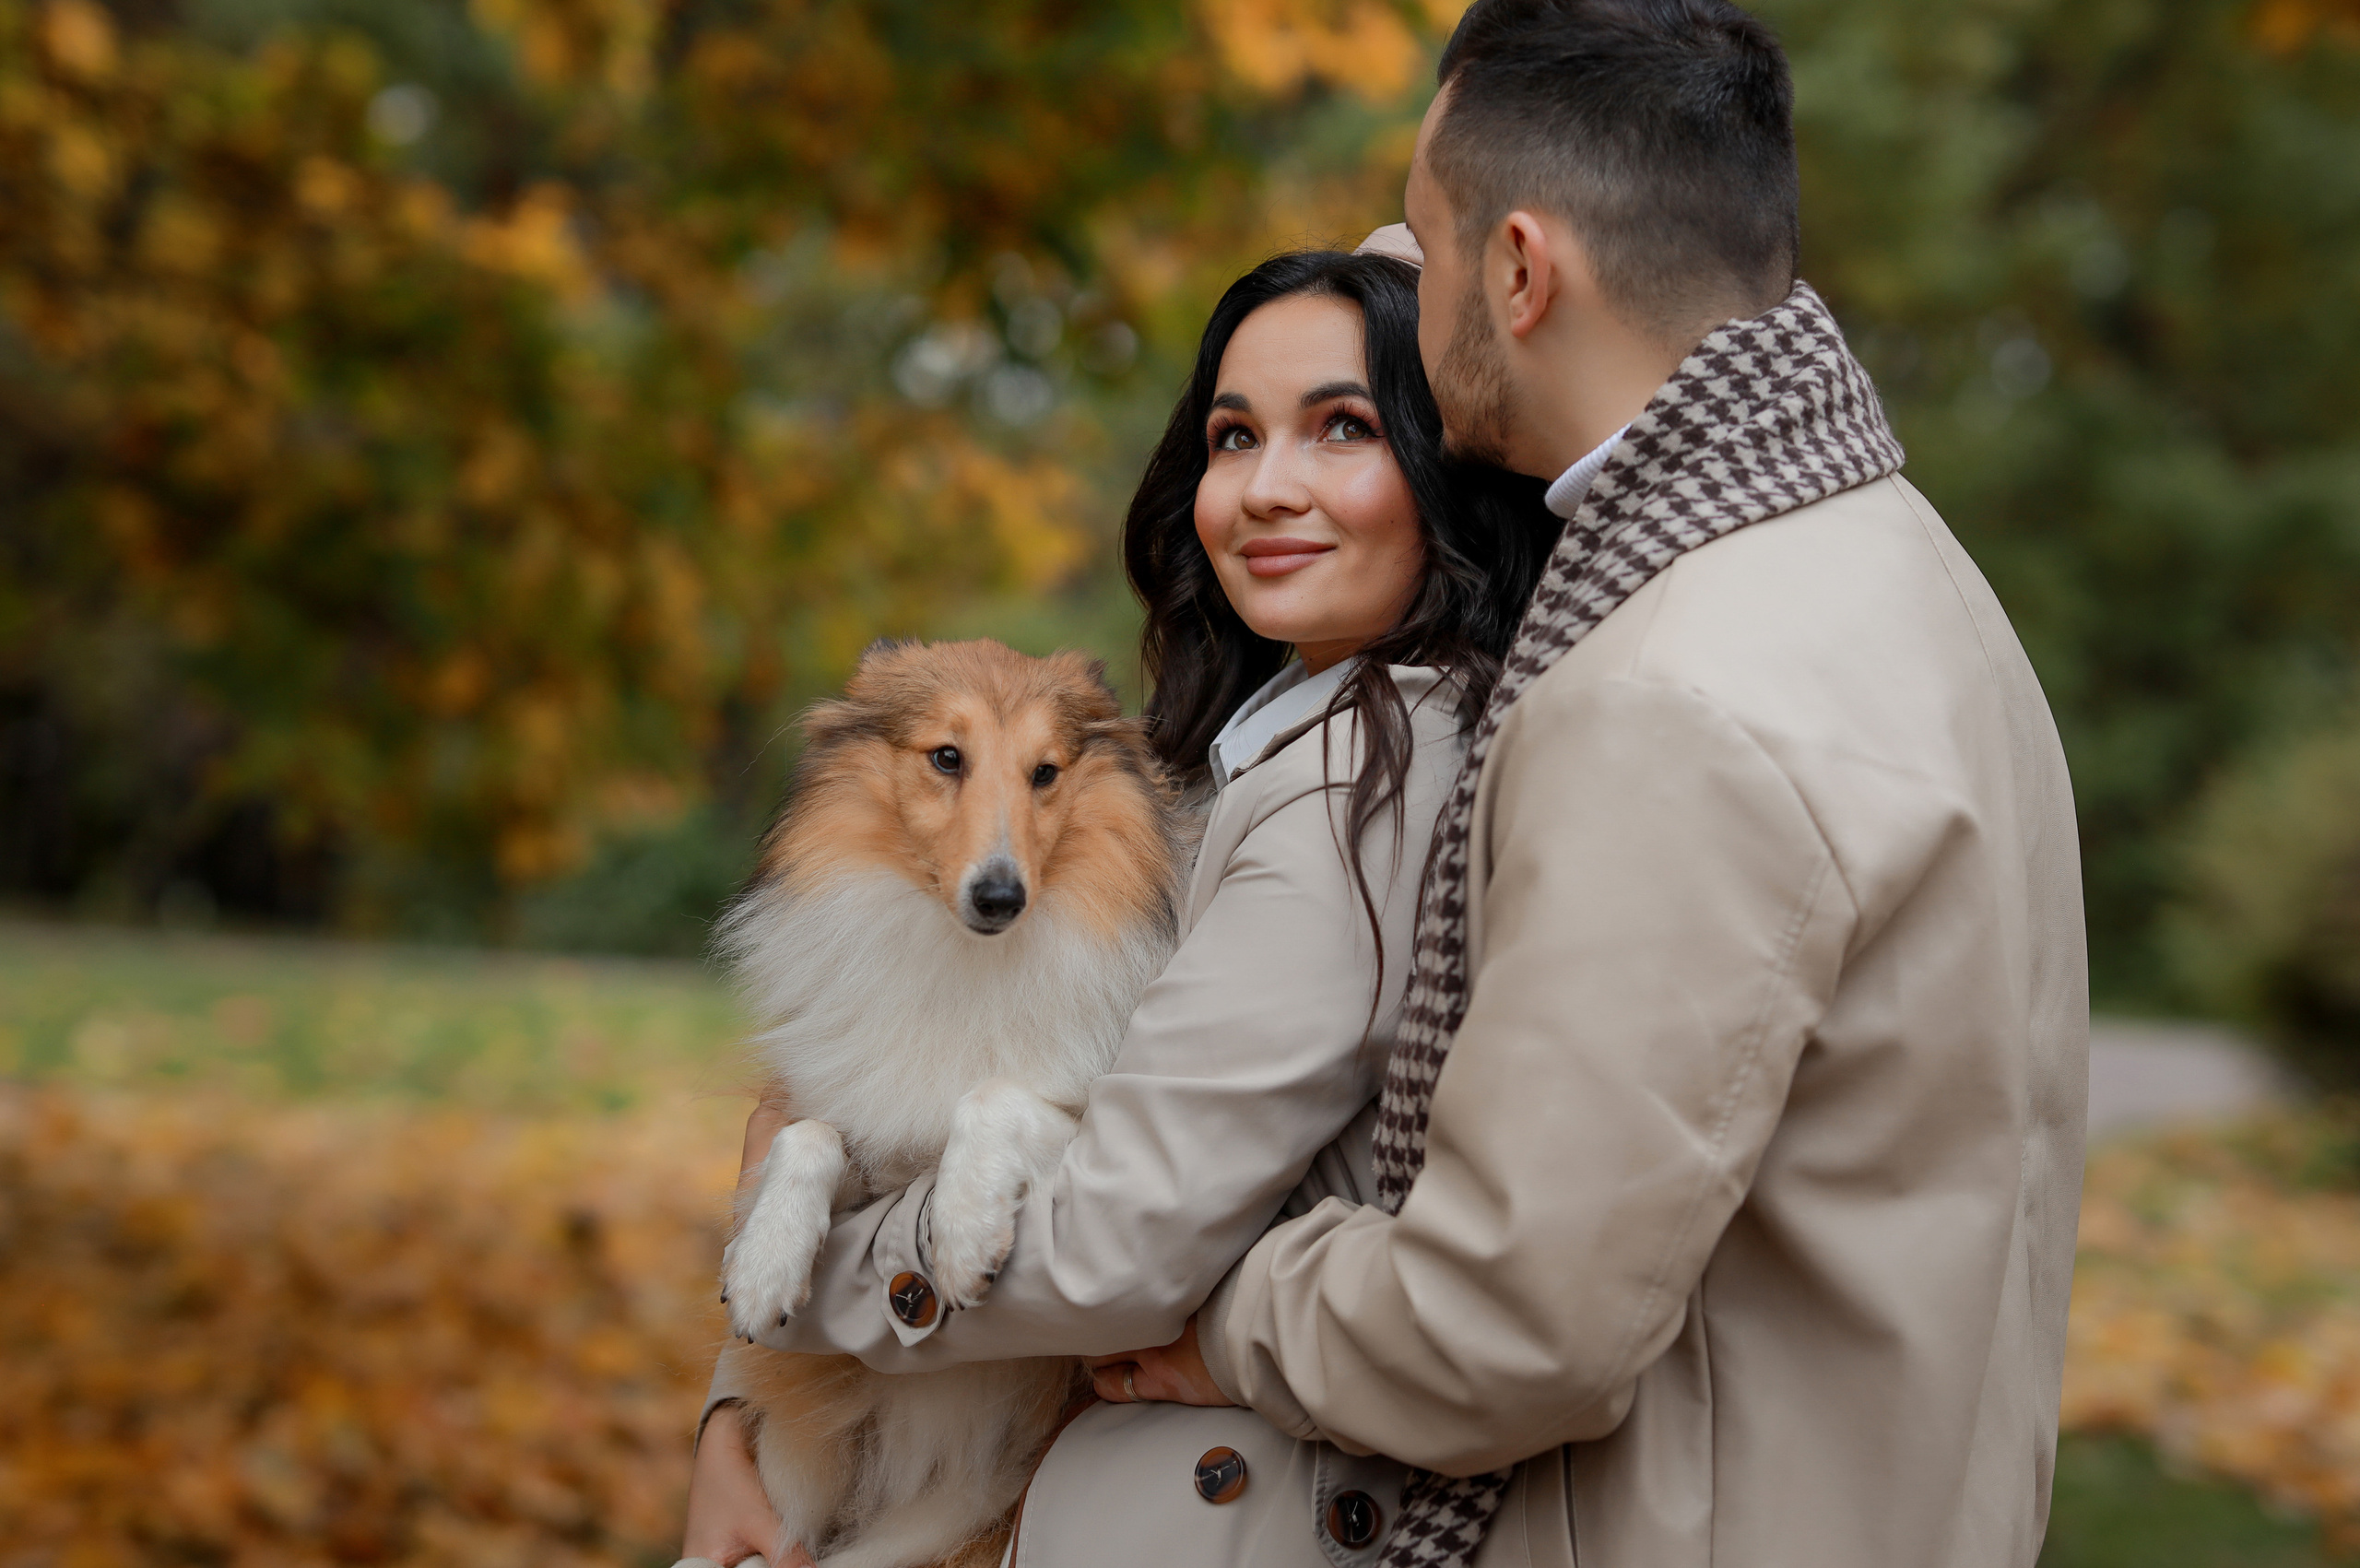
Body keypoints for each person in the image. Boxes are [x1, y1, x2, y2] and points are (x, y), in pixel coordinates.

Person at [1102, 3, 2091, 1567]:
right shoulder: (1903, 573)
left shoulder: (1665, 697)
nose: (1401, 301)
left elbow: (1505, 1319)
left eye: (1423, 257)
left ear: (1517, 272)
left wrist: (1227, 1301)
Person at [678, 249, 1557, 1566]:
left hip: (1179, 1505)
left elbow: (1116, 1250)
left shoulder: (1364, 784)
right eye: (1232, 434)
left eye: (1344, 427)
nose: (1267, 487)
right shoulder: (1252, 745)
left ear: (1444, 469)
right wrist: (737, 1405)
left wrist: (795, 1301)